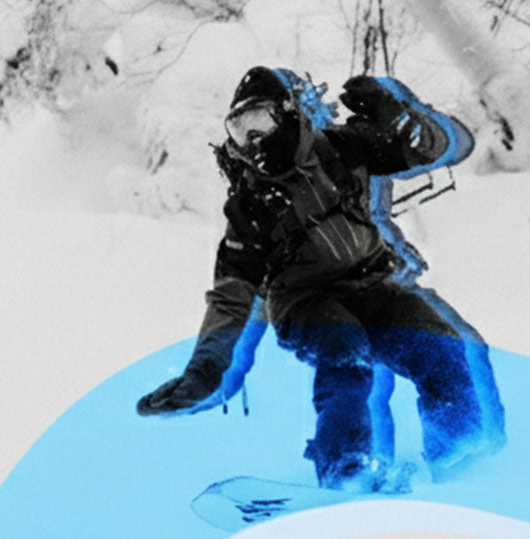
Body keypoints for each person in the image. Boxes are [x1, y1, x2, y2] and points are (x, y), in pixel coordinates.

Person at [137, 66, 505, 490]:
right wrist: (206, 369)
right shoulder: (251, 202)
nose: (252, 140)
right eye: (239, 129)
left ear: (289, 113)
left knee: (439, 347)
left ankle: (461, 456)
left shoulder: (341, 149)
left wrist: (398, 118)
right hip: (305, 303)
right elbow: (232, 293)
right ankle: (343, 467)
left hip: (371, 285)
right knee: (345, 348)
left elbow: (428, 149)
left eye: (259, 121)